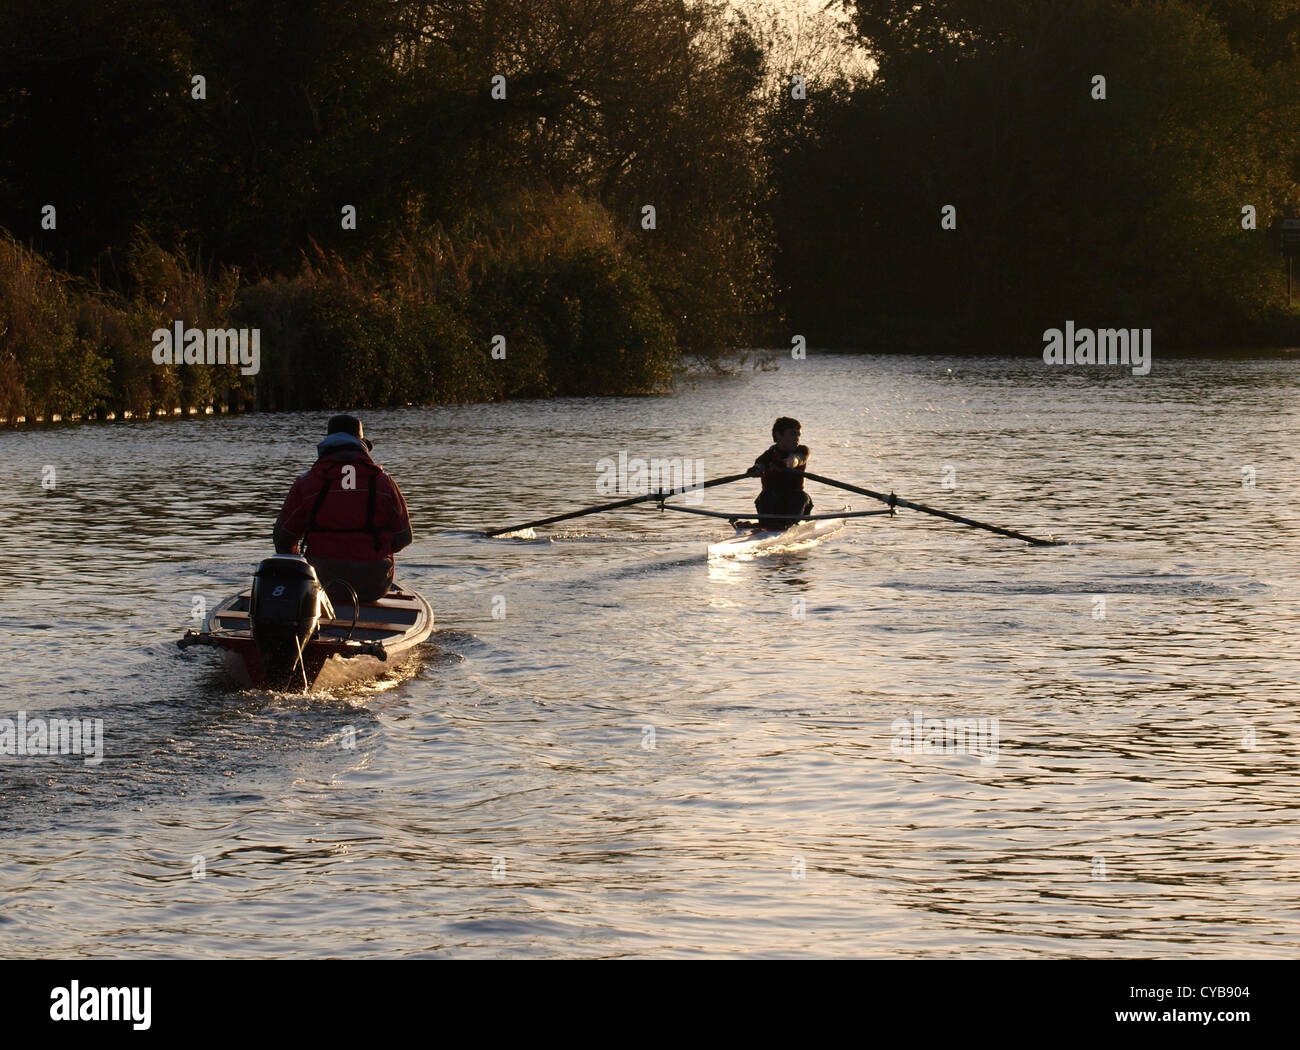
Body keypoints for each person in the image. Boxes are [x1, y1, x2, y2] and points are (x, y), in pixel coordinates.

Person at [273, 415, 413, 603]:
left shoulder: (307, 483)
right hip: (374, 584)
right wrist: (372, 548)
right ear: (362, 446)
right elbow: (404, 538)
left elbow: (283, 540)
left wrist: (300, 567)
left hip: (320, 583)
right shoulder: (384, 483)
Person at [748, 417, 813, 530]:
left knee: (800, 496)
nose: (797, 439)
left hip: (795, 502)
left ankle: (789, 524)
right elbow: (760, 464)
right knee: (765, 496)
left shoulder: (802, 450)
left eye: (798, 435)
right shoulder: (768, 455)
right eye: (793, 434)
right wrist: (756, 470)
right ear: (778, 435)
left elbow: (796, 460)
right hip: (773, 501)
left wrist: (784, 464)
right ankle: (766, 525)